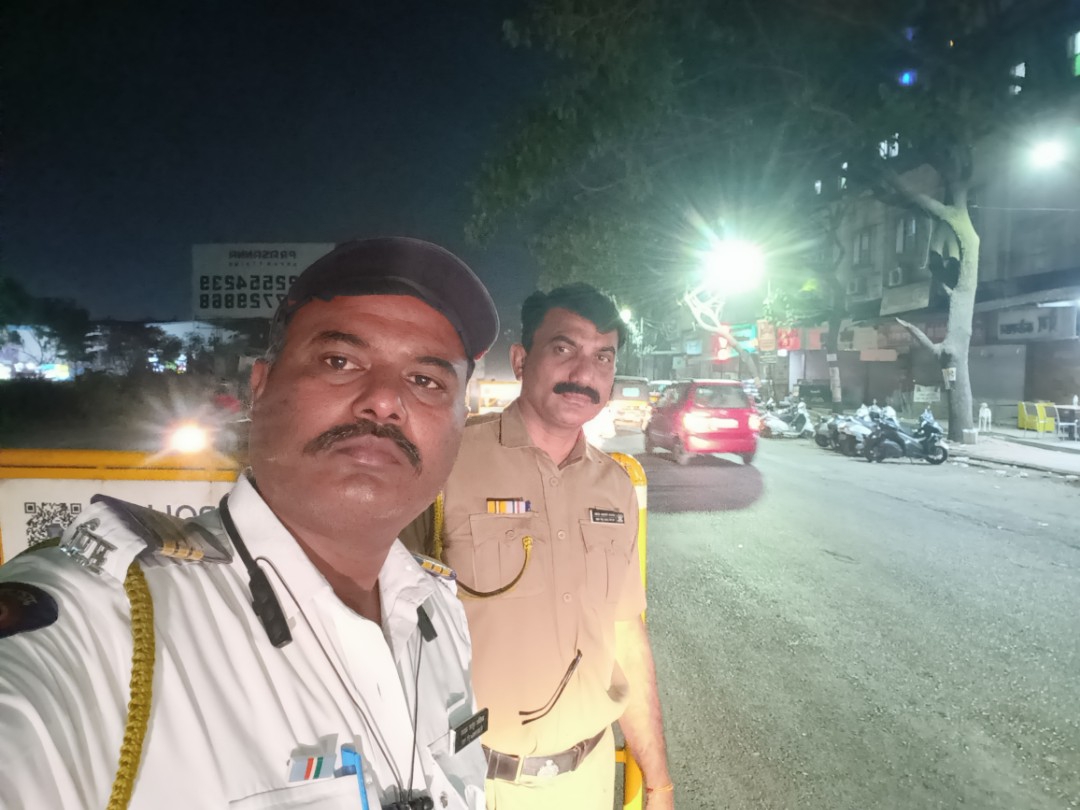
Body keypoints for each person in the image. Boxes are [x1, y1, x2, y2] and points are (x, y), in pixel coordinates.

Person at [0, 237, 500, 810]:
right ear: (259, 388)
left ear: (461, 422)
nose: (384, 400)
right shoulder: (108, 625)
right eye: (340, 362)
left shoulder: (440, 611)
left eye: (427, 381)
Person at [402, 283, 674, 809]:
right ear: (521, 360)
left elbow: (625, 635)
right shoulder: (445, 465)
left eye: (603, 357)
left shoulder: (615, 486)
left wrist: (658, 781)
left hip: (586, 781)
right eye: (564, 348)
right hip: (468, 783)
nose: (584, 373)